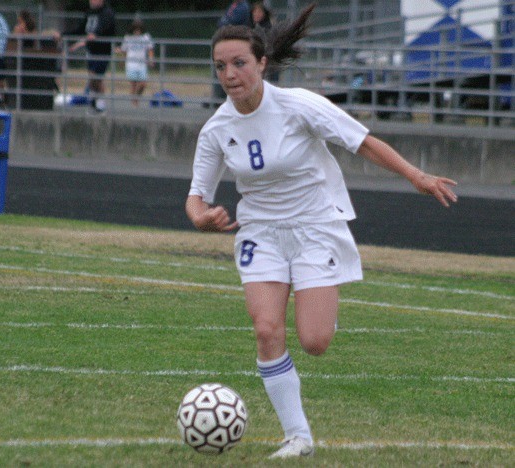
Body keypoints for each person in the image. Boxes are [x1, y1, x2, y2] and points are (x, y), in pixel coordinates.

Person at [185, 4, 458, 459]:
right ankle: (299, 437)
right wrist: (200, 216)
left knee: (314, 341)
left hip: (315, 226)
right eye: (220, 66)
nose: (229, 74)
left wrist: (418, 176)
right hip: (261, 233)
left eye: (239, 63)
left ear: (262, 63)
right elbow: (197, 193)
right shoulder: (217, 129)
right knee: (267, 328)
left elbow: (362, 141)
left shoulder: (299, 105)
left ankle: (318, 295)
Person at [64, 0, 116, 112]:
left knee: (95, 77)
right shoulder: (89, 13)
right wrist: (63, 34)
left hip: (102, 51)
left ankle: (100, 104)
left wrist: (93, 36)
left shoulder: (107, 13)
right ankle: (94, 102)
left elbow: (104, 29)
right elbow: (80, 29)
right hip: (91, 51)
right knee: (93, 78)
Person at [212, 0, 252, 105]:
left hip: (235, 43)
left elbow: (229, 22)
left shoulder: (243, 6)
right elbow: (222, 22)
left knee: (234, 72)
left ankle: (231, 101)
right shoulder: (233, 5)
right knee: (221, 71)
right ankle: (219, 100)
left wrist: (223, 22)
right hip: (225, 41)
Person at [116, 20, 154, 107]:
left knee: (143, 84)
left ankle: (136, 98)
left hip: (142, 63)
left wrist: (151, 60)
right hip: (131, 63)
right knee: (133, 84)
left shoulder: (146, 37)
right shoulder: (128, 37)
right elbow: (124, 50)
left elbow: (150, 49)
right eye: (136, 29)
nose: (137, 32)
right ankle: (134, 103)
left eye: (139, 30)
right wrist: (122, 60)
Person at [249, 1, 279, 83]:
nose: (256, 14)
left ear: (264, 14)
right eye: (254, 12)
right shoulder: (252, 27)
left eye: (259, 12)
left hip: (268, 63)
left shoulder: (267, 28)